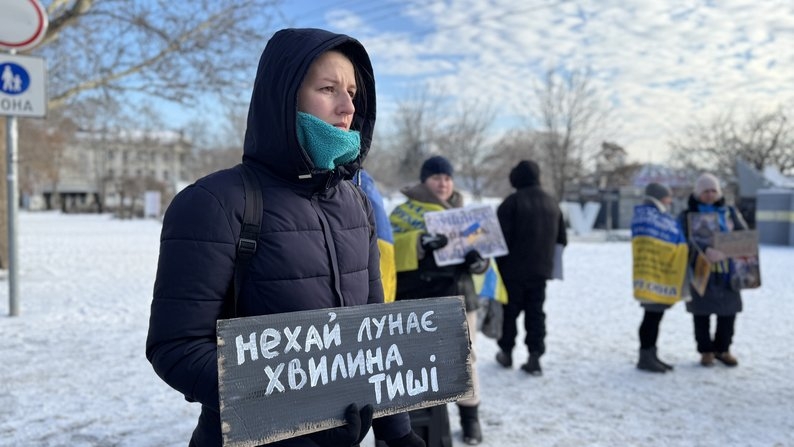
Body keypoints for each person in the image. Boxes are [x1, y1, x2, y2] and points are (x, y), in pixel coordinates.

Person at [145, 28, 424, 447]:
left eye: (352, 92)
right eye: (328, 89)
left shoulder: (356, 203)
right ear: (285, 96)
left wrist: (398, 433)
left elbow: (374, 334)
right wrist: (295, 413)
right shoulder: (214, 202)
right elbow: (178, 347)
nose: (348, 106)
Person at [389, 155, 488, 446]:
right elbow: (387, 248)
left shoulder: (465, 215)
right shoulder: (403, 212)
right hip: (420, 299)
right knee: (419, 363)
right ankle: (423, 423)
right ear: (424, 181)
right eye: (436, 177)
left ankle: (470, 419)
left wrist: (478, 262)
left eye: (447, 178)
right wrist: (419, 243)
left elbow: (485, 258)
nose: (443, 183)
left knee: (466, 359)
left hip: (461, 296)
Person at [494, 160, 567, 376]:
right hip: (540, 271)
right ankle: (535, 356)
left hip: (511, 272)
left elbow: (499, 240)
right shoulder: (552, 203)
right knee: (536, 313)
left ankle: (506, 352)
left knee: (509, 313)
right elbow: (562, 239)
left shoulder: (511, 203)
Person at [678, 172, 748, 368]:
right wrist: (703, 251)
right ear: (697, 193)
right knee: (701, 313)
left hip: (728, 272)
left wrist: (726, 250)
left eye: (713, 191)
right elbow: (681, 241)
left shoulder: (730, 213)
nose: (710, 194)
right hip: (700, 271)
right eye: (705, 191)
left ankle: (723, 349)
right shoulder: (687, 216)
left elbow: (744, 237)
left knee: (728, 313)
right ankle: (706, 351)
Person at [632, 182, 685, 373]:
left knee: (654, 316)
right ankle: (646, 357)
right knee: (651, 317)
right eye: (668, 197)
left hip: (654, 273)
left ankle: (651, 354)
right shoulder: (651, 216)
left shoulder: (650, 215)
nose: (670, 201)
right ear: (661, 197)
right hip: (652, 274)